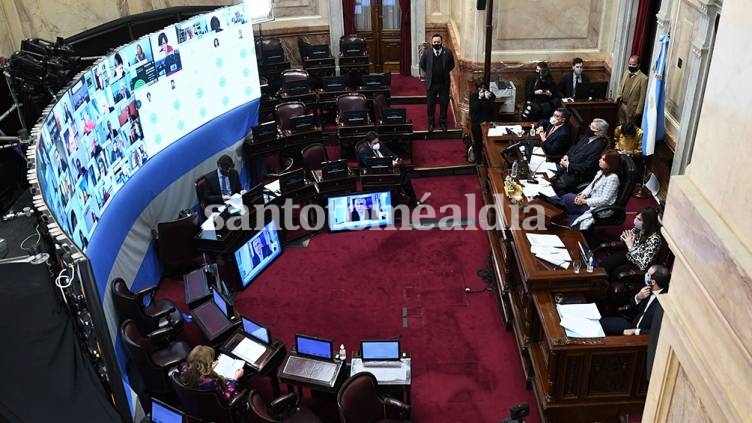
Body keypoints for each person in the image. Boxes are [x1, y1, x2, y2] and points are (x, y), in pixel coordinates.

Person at [600, 264, 670, 335]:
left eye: (648, 275)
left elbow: (658, 331)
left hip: (640, 334)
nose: (645, 275)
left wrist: (635, 331)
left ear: (653, 282)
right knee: (600, 323)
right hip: (631, 322)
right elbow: (631, 308)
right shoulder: (647, 288)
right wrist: (638, 297)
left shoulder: (663, 303)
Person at [559, 150, 620, 230]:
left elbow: (604, 200)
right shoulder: (601, 172)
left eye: (603, 159)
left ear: (610, 164)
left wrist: (584, 201)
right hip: (591, 199)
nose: (599, 160)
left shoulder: (613, 179)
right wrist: (582, 195)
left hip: (599, 208)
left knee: (567, 199)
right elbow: (591, 186)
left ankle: (566, 224)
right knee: (567, 198)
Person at [357, 131, 418, 206]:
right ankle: (410, 198)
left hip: (387, 169)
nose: (377, 144)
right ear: (369, 143)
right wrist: (390, 164)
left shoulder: (380, 145)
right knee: (403, 175)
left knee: (402, 168)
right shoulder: (363, 152)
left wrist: (397, 159)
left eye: (377, 142)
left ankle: (410, 197)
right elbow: (371, 165)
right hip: (375, 174)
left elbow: (390, 154)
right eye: (374, 143)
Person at [600, 207, 662, 279]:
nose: (635, 221)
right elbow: (625, 240)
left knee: (613, 274)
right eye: (636, 217)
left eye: (639, 219)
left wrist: (630, 246)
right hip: (629, 255)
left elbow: (643, 265)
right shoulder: (638, 229)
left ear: (647, 222)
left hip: (637, 265)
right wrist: (624, 238)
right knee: (603, 265)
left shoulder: (655, 240)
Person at [552, 118, 609, 194]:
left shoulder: (599, 147)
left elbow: (587, 167)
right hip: (566, 165)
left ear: (598, 133)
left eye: (591, 127)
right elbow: (574, 147)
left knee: (555, 186)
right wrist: (566, 156)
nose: (588, 128)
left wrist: (569, 165)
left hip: (576, 175)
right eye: (590, 125)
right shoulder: (586, 137)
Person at [178, 345, 244, 404]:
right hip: (216, 405)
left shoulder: (184, 368)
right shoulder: (211, 382)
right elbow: (225, 398)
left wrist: (209, 367)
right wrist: (235, 378)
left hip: (195, 400)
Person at [419, 34, 455, 132]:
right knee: (431, 105)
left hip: (444, 84)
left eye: (438, 42)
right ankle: (431, 123)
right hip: (431, 84)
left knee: (444, 104)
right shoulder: (427, 53)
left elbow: (452, 65)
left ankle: (443, 122)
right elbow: (422, 65)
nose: (436, 44)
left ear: (441, 42)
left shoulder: (447, 52)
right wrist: (430, 73)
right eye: (434, 42)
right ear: (432, 42)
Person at [468, 80, 496, 164]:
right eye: (480, 88)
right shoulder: (474, 96)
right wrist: (480, 98)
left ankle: (488, 160)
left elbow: (491, 109)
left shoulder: (490, 95)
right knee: (478, 142)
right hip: (477, 122)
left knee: (489, 142)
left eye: (484, 88)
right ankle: (478, 159)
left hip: (487, 121)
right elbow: (475, 109)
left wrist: (488, 99)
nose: (482, 90)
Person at [616, 55, 648, 126]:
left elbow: (642, 97)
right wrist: (618, 96)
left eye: (633, 65)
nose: (631, 66)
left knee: (629, 129)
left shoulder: (643, 79)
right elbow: (621, 86)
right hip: (622, 105)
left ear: (638, 65)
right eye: (630, 64)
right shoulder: (626, 72)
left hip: (632, 109)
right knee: (620, 125)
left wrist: (638, 111)